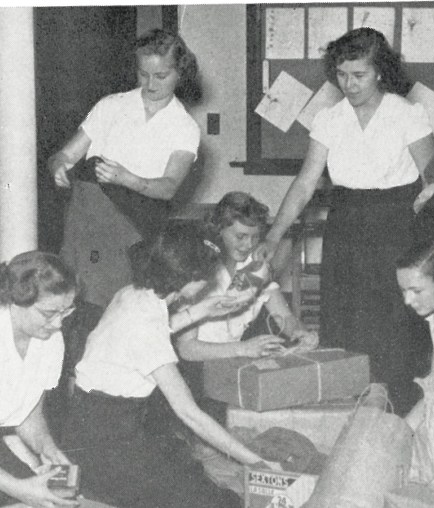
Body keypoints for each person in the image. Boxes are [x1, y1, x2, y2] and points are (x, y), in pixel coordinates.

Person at [254, 27, 434, 414]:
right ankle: (349, 411)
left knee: (393, 323)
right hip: (347, 224)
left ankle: (399, 411)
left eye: (360, 75)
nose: (349, 84)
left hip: (398, 225)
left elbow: (433, 182)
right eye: (341, 75)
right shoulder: (329, 118)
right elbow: (305, 184)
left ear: (381, 72)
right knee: (345, 319)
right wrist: (274, 236)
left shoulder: (407, 113)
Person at [61, 223, 276, 508]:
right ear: (189, 277)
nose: (210, 282)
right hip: (110, 443)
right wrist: (257, 461)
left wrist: (202, 310)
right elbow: (190, 414)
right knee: (215, 502)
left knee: (187, 472)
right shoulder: (147, 326)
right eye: (207, 276)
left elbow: (147, 334)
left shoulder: (131, 294)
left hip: (85, 427)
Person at [49, 28, 201, 328]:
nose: (150, 84)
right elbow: (64, 155)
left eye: (161, 75)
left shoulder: (184, 126)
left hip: (132, 225)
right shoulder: (112, 105)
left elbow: (168, 187)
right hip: (87, 219)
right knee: (68, 304)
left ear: (180, 73)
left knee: (114, 312)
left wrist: (126, 178)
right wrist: (59, 167)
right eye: (143, 74)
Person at [177, 192, 319, 363]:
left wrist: (300, 333)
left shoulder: (254, 266)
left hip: (232, 361)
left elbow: (285, 317)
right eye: (240, 236)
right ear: (218, 230)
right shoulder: (198, 270)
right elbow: (186, 348)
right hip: (198, 366)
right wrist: (244, 348)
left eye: (255, 237)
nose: (249, 245)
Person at [0, 252, 79, 507]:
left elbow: (29, 412)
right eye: (48, 313)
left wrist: (48, 449)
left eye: (65, 312)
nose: (57, 324)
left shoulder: (49, 339)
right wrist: (20, 489)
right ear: (16, 299)